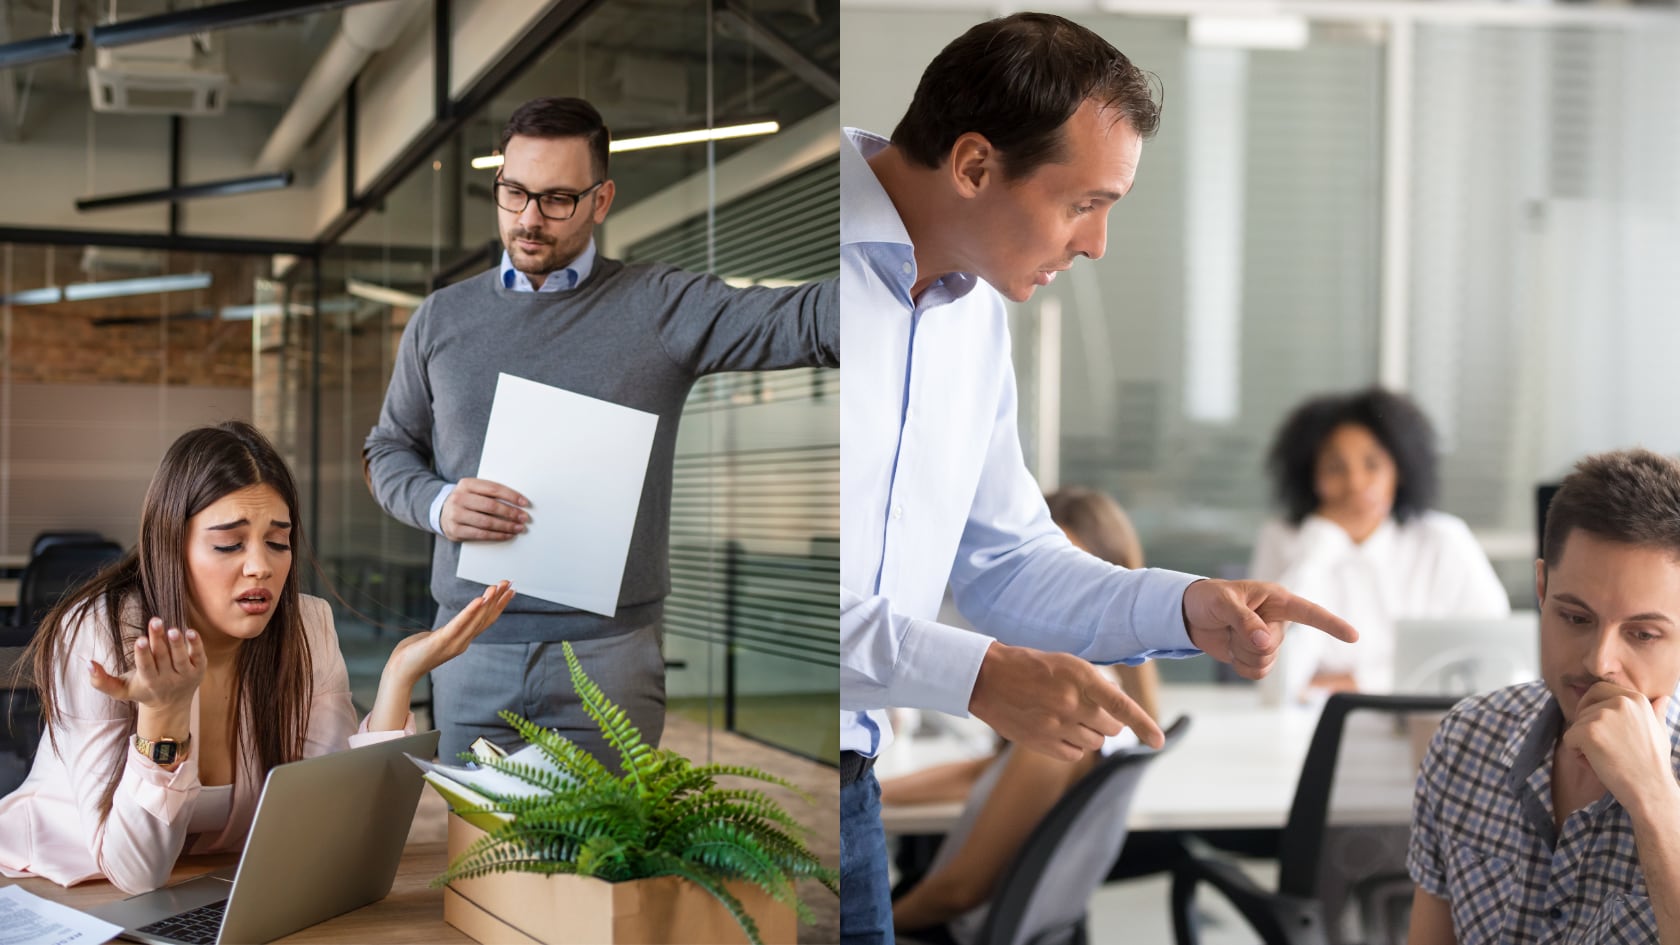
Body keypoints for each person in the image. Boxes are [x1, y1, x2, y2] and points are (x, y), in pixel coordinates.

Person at [839, 14, 1358, 943]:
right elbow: (750, 611)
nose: (1099, 244)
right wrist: (978, 674)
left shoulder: (967, 314)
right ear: (972, 166)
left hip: (848, 802)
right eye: (1084, 202)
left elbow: (1009, 562)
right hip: (718, 783)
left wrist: (1188, 607)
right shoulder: (771, 264)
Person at [362, 97, 838, 763]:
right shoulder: (442, 318)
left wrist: (903, 268)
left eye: (557, 199)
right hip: (469, 647)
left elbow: (804, 321)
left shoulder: (660, 306)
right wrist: (439, 504)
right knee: (479, 860)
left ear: (602, 199)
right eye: (515, 192)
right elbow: (386, 449)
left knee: (602, 868)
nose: (529, 218)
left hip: (609, 657)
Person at [0, 421, 513, 894]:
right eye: (229, 545)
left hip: (221, 888)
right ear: (170, 546)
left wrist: (398, 677)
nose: (260, 567)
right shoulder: (105, 632)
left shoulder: (306, 627)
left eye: (277, 542)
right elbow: (136, 871)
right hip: (66, 895)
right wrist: (163, 716)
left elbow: (336, 827)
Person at [1407, 448, 1680, 944]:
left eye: (1642, 634)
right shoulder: (1467, 740)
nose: (1599, 662)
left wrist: (1655, 800)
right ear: (1540, 587)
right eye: (1575, 618)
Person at [884, 487, 1160, 942]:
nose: (1054, 600)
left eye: (1077, 578)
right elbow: (987, 773)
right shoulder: (1103, 706)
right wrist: (875, 793)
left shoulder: (1071, 717)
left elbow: (957, 893)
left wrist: (864, 929)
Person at [1250, 387, 1508, 700]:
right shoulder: (1282, 539)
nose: (1355, 483)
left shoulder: (1442, 540)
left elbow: (1494, 657)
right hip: (1311, 729)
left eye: (1372, 464)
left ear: (1399, 469)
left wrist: (1357, 682)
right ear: (1311, 475)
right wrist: (1317, 548)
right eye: (1335, 468)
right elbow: (1276, 687)